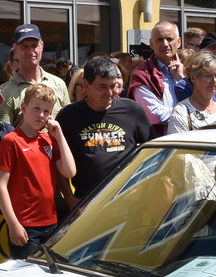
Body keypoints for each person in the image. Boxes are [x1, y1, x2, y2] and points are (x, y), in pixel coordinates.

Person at [0, 83, 77, 259]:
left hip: (52, 223)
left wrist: (60, 136)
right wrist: (13, 224)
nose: (41, 115)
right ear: (24, 107)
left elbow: (69, 172)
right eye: (36, 108)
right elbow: (0, 186)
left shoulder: (48, 139)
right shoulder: (11, 141)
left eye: (47, 111)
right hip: (25, 226)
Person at [58, 54, 154, 201]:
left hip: (128, 199)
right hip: (86, 202)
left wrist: (142, 185)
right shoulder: (68, 115)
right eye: (102, 87)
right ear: (86, 85)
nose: (110, 93)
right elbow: (57, 163)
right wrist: (70, 200)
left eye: (113, 86)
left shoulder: (132, 109)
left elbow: (152, 152)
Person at [0, 23, 69, 126]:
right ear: (15, 49)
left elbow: (69, 124)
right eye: (24, 46)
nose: (30, 51)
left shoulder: (59, 84)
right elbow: (3, 135)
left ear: (42, 46)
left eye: (34, 45)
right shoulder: (7, 93)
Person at [128, 21, 188, 126]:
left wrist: (182, 80)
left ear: (178, 42)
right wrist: (191, 112)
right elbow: (155, 116)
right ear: (151, 44)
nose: (165, 44)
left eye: (169, 39)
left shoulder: (190, 71)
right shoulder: (142, 75)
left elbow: (205, 103)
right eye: (160, 39)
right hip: (160, 140)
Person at [168, 51, 216, 133]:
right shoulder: (181, 112)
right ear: (193, 78)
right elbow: (176, 145)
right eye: (208, 76)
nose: (214, 81)